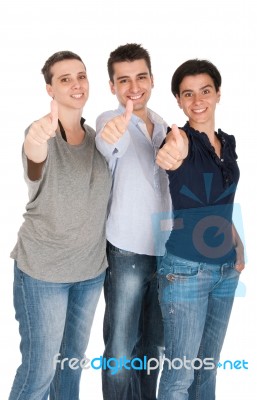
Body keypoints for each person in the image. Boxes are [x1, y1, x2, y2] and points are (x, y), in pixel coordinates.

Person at [9, 50, 112, 400]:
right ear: (50, 89)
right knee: (39, 370)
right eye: (64, 79)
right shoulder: (41, 133)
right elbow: (34, 159)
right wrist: (35, 141)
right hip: (44, 274)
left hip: (90, 272)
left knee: (70, 367)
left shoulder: (98, 140)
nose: (76, 84)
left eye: (81, 76)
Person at [155, 59, 245, 400]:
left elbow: (221, 201)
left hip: (225, 270)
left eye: (205, 91)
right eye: (187, 93)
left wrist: (238, 244)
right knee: (180, 376)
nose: (197, 100)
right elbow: (169, 157)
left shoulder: (228, 145)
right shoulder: (179, 140)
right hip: (186, 271)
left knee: (207, 368)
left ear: (218, 94)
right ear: (178, 100)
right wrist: (169, 154)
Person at [95, 43, 172, 400]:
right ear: (112, 86)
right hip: (126, 251)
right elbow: (109, 141)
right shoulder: (109, 122)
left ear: (152, 79)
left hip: (166, 253)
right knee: (122, 350)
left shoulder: (165, 127)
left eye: (140, 77)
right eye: (123, 80)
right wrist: (113, 133)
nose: (133, 86)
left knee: (153, 349)